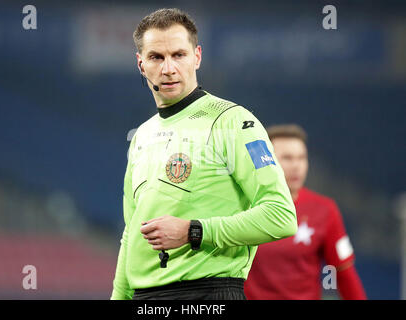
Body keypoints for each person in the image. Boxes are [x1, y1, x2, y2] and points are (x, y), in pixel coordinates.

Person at [110, 8, 297, 300]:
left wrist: (194, 231)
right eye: (156, 57)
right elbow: (130, 233)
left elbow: (281, 215)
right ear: (141, 64)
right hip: (145, 299)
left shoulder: (233, 121)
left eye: (179, 55)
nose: (168, 68)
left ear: (197, 56)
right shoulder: (142, 136)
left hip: (208, 294)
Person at [244, 124, 367, 300]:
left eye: (302, 158)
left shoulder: (325, 210)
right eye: (287, 158)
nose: (296, 166)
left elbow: (344, 274)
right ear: (265, 161)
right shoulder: (242, 206)